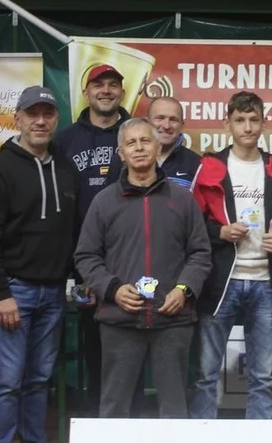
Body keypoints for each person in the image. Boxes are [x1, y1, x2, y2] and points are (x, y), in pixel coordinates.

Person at [0, 85, 78, 443]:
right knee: (7, 382)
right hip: (13, 291)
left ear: (55, 120)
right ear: (17, 118)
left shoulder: (65, 170)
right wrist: (0, 293)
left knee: (38, 380)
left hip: (53, 293)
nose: (40, 121)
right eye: (32, 113)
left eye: (47, 114)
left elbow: (71, 232)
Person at [74, 117, 212, 418]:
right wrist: (112, 289)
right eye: (131, 143)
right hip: (120, 320)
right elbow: (86, 256)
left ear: (157, 145)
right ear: (121, 153)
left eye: (145, 141)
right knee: (114, 407)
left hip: (173, 320)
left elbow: (201, 253)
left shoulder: (182, 200)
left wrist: (184, 289)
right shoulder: (103, 201)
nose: (138, 148)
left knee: (174, 408)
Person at [190, 90, 272, 420]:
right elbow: (192, 228)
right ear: (228, 124)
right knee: (206, 372)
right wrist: (221, 233)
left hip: (266, 283)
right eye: (240, 120)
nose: (248, 127)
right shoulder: (210, 168)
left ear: (264, 124)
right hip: (221, 283)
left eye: (254, 120)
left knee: (264, 376)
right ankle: (203, 441)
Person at [54, 64, 131, 416]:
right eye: (98, 85)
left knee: (131, 339)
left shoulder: (134, 134)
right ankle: (93, 413)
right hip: (82, 260)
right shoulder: (66, 139)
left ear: (122, 92)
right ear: (86, 92)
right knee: (91, 341)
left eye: (113, 85)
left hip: (129, 255)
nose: (106, 91)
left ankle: (129, 410)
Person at [107, 96, 200, 189]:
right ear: (148, 122)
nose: (166, 126)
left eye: (173, 120)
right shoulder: (122, 159)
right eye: (160, 118)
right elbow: (110, 199)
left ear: (182, 126)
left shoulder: (196, 164)